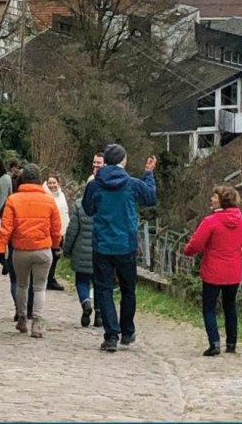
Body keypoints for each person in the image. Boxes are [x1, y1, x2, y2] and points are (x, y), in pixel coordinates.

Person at [82, 144, 156, 352]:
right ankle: (128, 330)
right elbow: (150, 198)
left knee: (104, 289)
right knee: (128, 289)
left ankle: (111, 334)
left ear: (105, 161)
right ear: (123, 161)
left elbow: (88, 209)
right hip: (126, 243)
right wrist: (149, 174)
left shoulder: (95, 184)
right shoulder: (131, 184)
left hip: (103, 243)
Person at [183, 186, 242, 356]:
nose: (211, 199)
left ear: (222, 201)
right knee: (230, 306)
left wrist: (187, 251)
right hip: (233, 273)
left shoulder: (210, 221)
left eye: (214, 197)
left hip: (212, 272)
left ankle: (214, 342)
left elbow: (196, 244)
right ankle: (231, 343)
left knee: (209, 307)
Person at [0, 164, 62, 338]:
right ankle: (38, 323)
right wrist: (55, 246)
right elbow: (56, 228)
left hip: (21, 250)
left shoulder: (13, 200)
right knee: (40, 287)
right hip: (43, 248)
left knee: (22, 285)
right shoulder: (49, 200)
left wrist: (1, 249)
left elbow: (6, 228)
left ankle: (22, 318)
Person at [63, 189, 101, 327]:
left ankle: (85, 302)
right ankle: (99, 314)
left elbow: (72, 230)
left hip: (81, 251)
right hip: (100, 251)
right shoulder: (105, 206)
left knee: (82, 281)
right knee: (99, 284)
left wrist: (66, 250)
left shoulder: (80, 205)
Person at [43, 173, 69, 291]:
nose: (52, 185)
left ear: (58, 183)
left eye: (54, 183)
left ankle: (51, 277)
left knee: (56, 257)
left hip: (61, 230)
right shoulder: (45, 196)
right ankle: (47, 278)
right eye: (50, 183)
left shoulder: (61, 195)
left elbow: (64, 212)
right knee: (50, 256)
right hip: (50, 231)